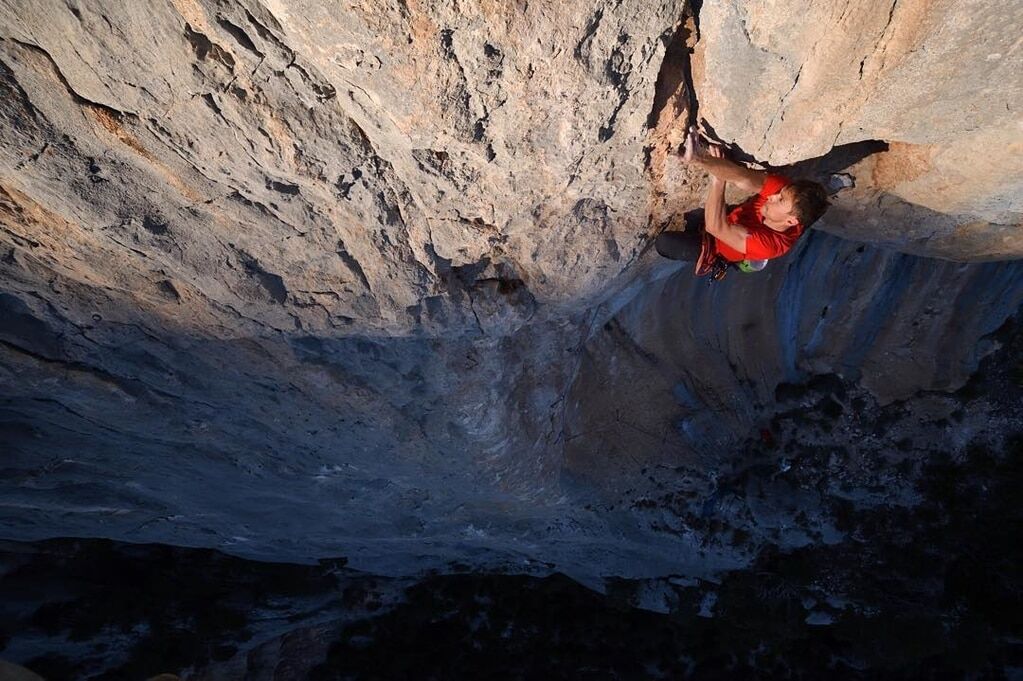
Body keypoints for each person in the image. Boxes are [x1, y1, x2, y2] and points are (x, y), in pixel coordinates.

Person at [655, 128, 829, 278]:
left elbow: (715, 227)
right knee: (694, 215)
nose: (773, 196)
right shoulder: (788, 193)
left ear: (790, 221)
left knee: (664, 243)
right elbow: (743, 177)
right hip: (732, 217)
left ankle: (715, 254)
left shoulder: (770, 245)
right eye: (780, 194)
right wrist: (702, 159)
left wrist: (717, 180)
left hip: (718, 246)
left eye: (780, 200)